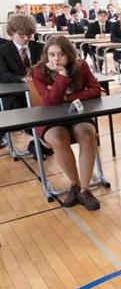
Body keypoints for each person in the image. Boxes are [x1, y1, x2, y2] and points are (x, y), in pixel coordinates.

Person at [31, 36, 102, 210]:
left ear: (69, 55)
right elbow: (51, 101)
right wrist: (62, 76)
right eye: (52, 54)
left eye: (61, 54)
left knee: (87, 135)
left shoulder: (81, 66)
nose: (56, 59)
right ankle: (75, 185)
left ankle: (85, 190)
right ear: (46, 55)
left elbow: (96, 90)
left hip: (76, 112)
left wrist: (69, 97)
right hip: (50, 116)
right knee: (58, 138)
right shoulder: (38, 72)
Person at [0, 15, 51, 157]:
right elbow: (2, 74)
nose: (26, 38)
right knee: (29, 117)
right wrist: (22, 79)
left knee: (49, 115)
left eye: (29, 35)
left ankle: (40, 142)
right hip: (16, 96)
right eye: (21, 35)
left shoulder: (40, 47)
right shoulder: (3, 50)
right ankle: (40, 141)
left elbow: (48, 69)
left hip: (40, 94)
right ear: (11, 33)